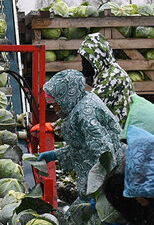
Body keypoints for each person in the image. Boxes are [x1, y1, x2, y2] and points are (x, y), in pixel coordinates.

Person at [33, 69, 123, 198]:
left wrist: (100, 193)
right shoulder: (80, 103)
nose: (54, 109)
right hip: (95, 180)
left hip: (109, 181)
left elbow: (104, 155)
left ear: (66, 98)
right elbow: (83, 148)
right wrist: (56, 155)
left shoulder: (86, 114)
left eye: (55, 104)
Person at [79, 33, 134, 127]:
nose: (83, 64)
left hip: (119, 136)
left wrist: (56, 127)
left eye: (86, 60)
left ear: (96, 59)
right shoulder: (107, 72)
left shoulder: (112, 77)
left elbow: (87, 108)